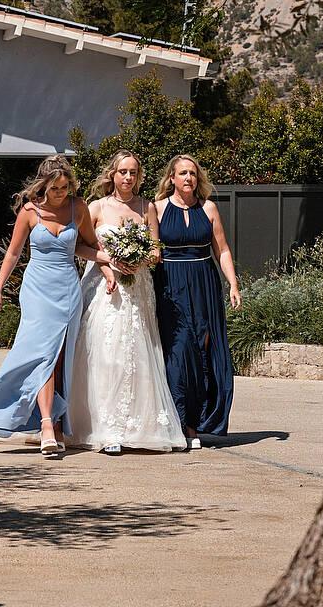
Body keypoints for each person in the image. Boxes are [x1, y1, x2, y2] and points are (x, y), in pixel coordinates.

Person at [0, 155, 112, 454]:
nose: (61, 193)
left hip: (68, 291)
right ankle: (46, 423)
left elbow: (89, 246)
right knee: (42, 356)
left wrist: (107, 264)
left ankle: (57, 426)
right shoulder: (29, 212)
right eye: (56, 188)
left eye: (65, 187)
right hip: (36, 291)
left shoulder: (79, 208)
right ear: (43, 186)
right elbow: (12, 253)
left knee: (60, 359)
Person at [68, 150, 187, 454]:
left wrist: (139, 259)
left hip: (137, 288)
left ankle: (138, 426)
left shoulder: (147, 207)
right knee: (106, 353)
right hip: (104, 287)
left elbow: (156, 251)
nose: (128, 178)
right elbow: (79, 246)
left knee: (136, 354)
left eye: (133, 172)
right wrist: (110, 259)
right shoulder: (96, 208)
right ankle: (106, 430)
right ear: (112, 174)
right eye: (123, 172)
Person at [154, 154, 241, 447]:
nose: (188, 178)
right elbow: (150, 250)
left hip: (204, 283)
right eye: (182, 173)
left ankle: (194, 425)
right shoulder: (157, 208)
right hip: (170, 285)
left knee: (204, 350)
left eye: (192, 173)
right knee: (179, 351)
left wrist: (233, 283)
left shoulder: (210, 208)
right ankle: (178, 423)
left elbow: (223, 250)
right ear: (172, 179)